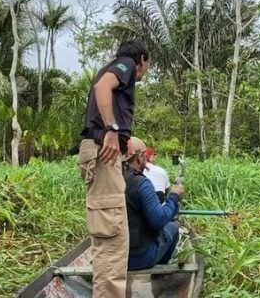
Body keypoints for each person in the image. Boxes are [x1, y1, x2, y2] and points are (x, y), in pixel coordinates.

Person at [77, 40, 150, 297]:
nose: (144, 72)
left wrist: (123, 140)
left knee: (112, 237)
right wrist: (111, 129)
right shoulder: (126, 65)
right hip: (102, 151)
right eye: (147, 66)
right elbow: (103, 87)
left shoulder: (118, 68)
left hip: (103, 154)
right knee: (112, 242)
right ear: (141, 59)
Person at [124, 137, 185, 271]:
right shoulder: (141, 183)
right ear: (140, 157)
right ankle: (159, 269)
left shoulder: (111, 179)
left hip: (112, 257)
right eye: (145, 156)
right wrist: (174, 197)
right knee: (172, 227)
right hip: (139, 258)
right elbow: (159, 220)